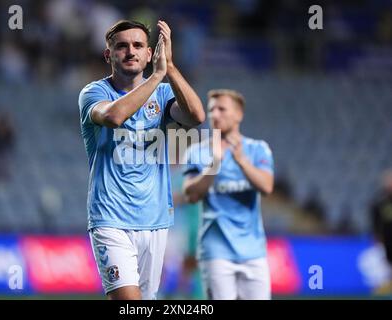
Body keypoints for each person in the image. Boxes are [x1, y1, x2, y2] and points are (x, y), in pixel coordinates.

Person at [78, 20, 204, 300]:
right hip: (111, 220)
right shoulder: (94, 93)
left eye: (138, 45)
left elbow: (196, 116)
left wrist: (169, 68)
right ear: (109, 55)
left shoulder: (163, 94)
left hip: (155, 221)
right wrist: (156, 77)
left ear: (149, 54)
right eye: (121, 46)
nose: (130, 51)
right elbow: (113, 117)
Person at [183, 89, 274, 300]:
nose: (215, 114)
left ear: (239, 114)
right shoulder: (197, 152)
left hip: (253, 252)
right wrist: (214, 164)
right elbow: (191, 195)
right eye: (211, 109)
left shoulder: (257, 149)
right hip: (216, 251)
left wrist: (242, 161)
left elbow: (266, 187)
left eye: (221, 109)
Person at [371, 169, 392, 294]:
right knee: (384, 269)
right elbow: (376, 220)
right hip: (385, 241)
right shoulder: (380, 202)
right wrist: (377, 236)